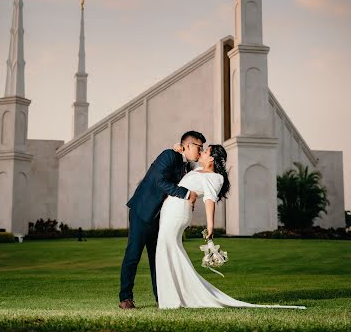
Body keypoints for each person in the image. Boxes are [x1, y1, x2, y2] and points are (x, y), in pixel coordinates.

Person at [156, 144, 306, 310]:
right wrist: (180, 150)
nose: (202, 152)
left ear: (212, 158)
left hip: (178, 212)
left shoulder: (215, 177)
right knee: (169, 250)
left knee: (167, 248)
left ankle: (174, 298)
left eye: (205, 151)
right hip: (170, 209)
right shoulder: (198, 170)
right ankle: (177, 295)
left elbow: (209, 201)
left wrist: (211, 226)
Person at [118, 130, 206, 309]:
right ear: (187, 145)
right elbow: (160, 181)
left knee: (157, 258)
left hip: (162, 219)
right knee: (133, 255)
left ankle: (162, 298)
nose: (200, 151)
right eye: (199, 147)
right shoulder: (168, 155)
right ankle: (125, 298)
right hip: (142, 211)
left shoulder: (187, 167)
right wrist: (187, 194)